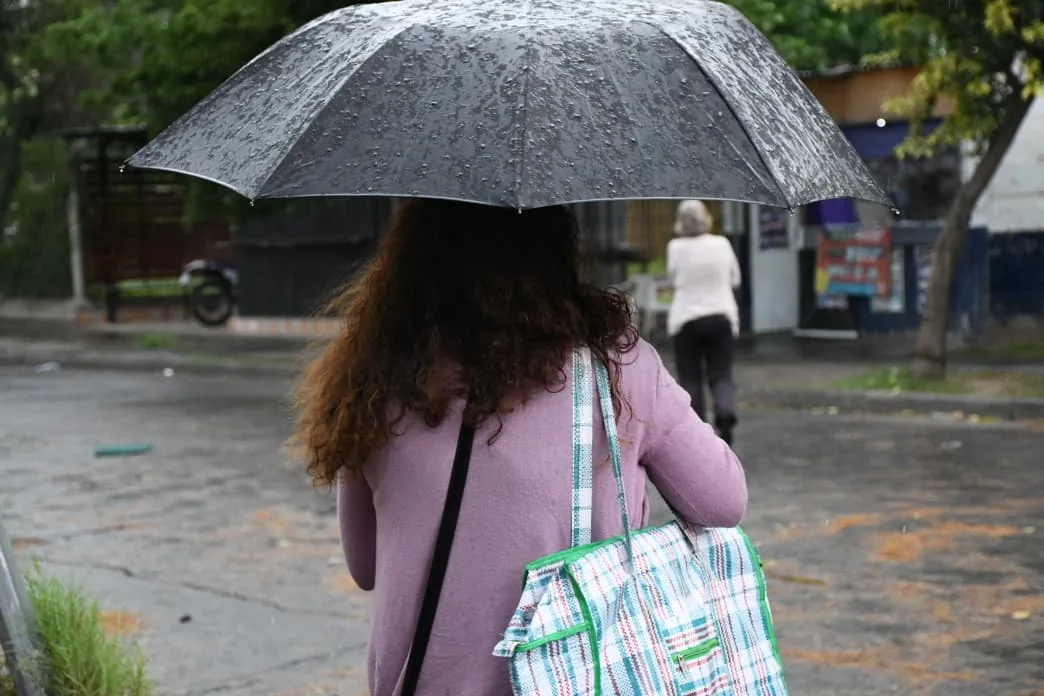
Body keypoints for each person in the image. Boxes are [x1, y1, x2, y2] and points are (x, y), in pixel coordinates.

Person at [292, 199, 748, 696]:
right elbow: (722, 500)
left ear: (413, 253)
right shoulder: (616, 368)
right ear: (557, 248)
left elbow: (366, 566)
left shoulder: (374, 375)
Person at [666, 200, 742, 445]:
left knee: (690, 376)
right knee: (721, 373)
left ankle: (698, 429)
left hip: (686, 319)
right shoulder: (722, 244)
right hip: (721, 316)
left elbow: (672, 277)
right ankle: (725, 410)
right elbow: (736, 279)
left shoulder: (675, 247)